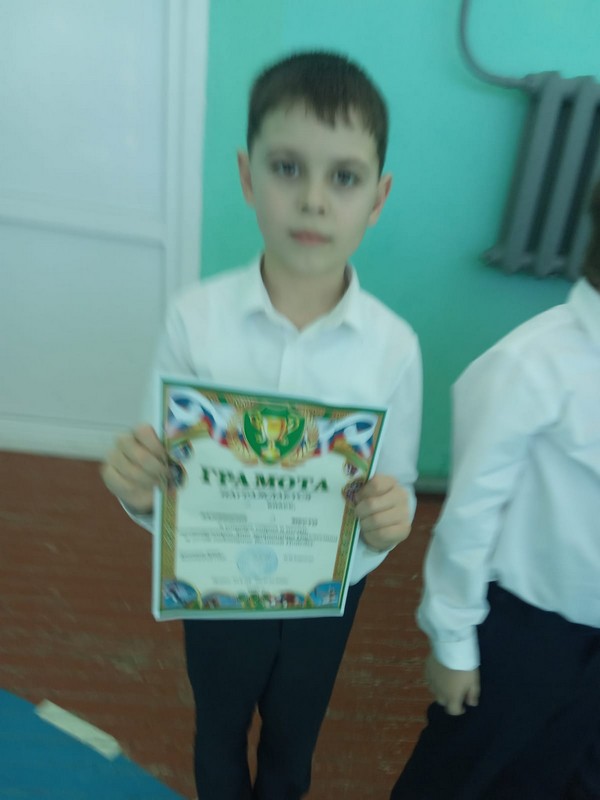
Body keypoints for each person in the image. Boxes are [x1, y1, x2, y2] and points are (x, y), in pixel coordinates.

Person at [101, 51, 422, 800]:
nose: (313, 200)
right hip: (219, 585)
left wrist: (393, 515)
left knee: (293, 740)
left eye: (344, 177)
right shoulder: (196, 319)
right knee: (217, 731)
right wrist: (137, 486)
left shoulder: (394, 347)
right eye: (287, 168)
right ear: (248, 178)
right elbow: (157, 471)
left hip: (328, 592)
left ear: (378, 198)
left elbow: (396, 484)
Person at [390, 180, 600, 800]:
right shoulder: (533, 363)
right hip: (526, 634)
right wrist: (453, 642)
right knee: (465, 775)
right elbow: (470, 514)